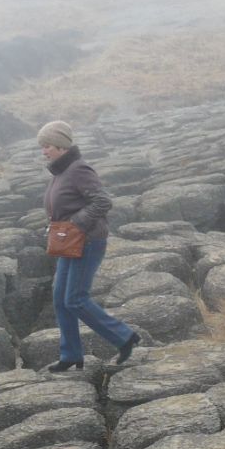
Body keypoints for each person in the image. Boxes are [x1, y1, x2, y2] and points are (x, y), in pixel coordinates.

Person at [39, 120, 140, 372]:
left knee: (75, 299)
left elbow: (103, 201)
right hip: (68, 242)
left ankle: (125, 337)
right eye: (43, 146)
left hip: (87, 241)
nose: (44, 151)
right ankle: (71, 354)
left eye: (48, 145)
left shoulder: (78, 169)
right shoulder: (60, 172)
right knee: (61, 299)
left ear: (62, 146)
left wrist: (76, 223)